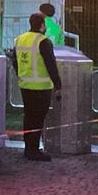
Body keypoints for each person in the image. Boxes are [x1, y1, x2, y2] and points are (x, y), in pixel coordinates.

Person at [13, 12, 61, 161]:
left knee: (28, 117)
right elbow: (51, 65)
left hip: (25, 84)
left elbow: (15, 61)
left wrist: (21, 74)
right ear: (42, 25)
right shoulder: (44, 41)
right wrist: (58, 84)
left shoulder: (19, 39)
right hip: (41, 87)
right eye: (45, 24)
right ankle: (34, 150)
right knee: (38, 119)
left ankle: (28, 147)